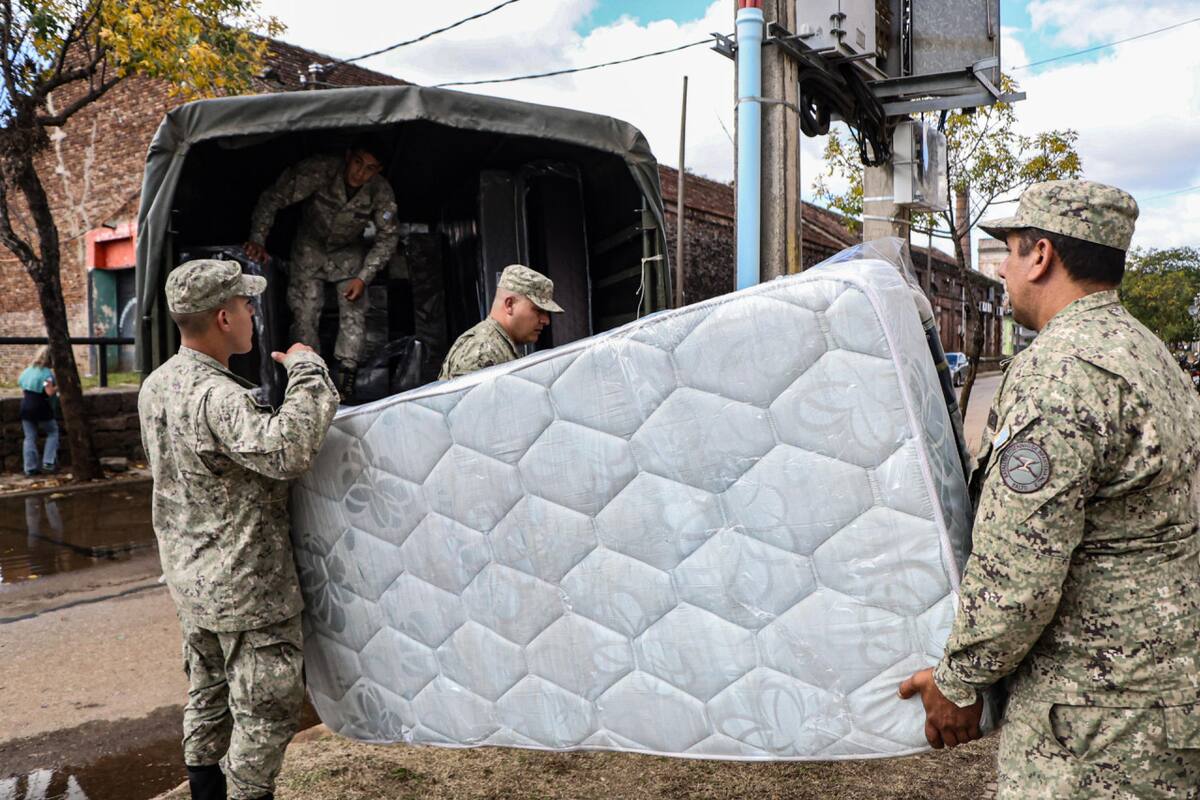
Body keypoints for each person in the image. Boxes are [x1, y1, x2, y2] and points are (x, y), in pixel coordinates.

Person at [899, 180, 1200, 798]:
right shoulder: (1145, 352)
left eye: (1009, 252)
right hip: (1159, 702)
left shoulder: (1061, 372)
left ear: (1041, 256)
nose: (1003, 270)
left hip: (1095, 725)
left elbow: (1021, 567)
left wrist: (958, 681)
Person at [138, 259, 339, 800]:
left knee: (207, 697)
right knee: (265, 714)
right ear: (224, 316)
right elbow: (287, 450)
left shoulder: (157, 386)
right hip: (248, 589)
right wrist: (308, 370)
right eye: (247, 305)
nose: (254, 313)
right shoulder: (219, 397)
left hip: (193, 582)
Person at [244, 140, 399, 402]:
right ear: (349, 155)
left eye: (370, 169)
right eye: (358, 163)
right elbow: (275, 197)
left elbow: (388, 237)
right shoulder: (322, 170)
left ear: (378, 170)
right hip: (310, 250)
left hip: (348, 254)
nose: (360, 173)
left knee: (355, 311)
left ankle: (345, 379)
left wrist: (364, 277)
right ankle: (309, 376)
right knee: (305, 312)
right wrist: (258, 239)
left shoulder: (380, 191)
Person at [439, 264, 564, 380]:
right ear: (509, 305)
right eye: (538, 310)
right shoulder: (482, 350)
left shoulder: (497, 345)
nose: (546, 320)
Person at [18, 346, 59, 476]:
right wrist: (60, 386)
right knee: (53, 432)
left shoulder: (27, 371)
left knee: (29, 437)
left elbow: (24, 390)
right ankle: (48, 462)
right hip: (41, 407)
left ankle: (29, 468)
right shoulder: (46, 373)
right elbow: (49, 391)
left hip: (25, 406)